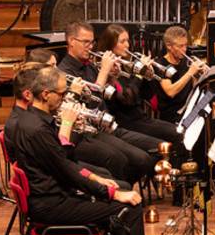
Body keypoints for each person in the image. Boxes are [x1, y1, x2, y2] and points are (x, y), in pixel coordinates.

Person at [8, 66, 170, 235]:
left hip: (50, 197)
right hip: (51, 205)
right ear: (45, 94)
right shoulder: (37, 129)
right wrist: (112, 192)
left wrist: (98, 180)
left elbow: (65, 164)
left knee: (120, 206)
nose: (64, 99)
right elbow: (67, 173)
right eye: (61, 95)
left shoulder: (34, 119)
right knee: (129, 208)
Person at [57, 21, 162, 183]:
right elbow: (91, 106)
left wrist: (113, 74)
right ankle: (120, 193)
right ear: (71, 41)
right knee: (131, 159)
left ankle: (124, 188)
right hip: (89, 133)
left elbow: (112, 95)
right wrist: (104, 71)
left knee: (155, 151)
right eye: (86, 42)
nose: (90, 47)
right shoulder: (64, 72)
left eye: (92, 42)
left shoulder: (89, 66)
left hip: (110, 126)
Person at [96, 24, 182, 145]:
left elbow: (147, 95)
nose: (127, 45)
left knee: (178, 131)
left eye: (127, 40)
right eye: (122, 41)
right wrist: (139, 75)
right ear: (110, 44)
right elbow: (127, 99)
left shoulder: (126, 65)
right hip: (125, 122)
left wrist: (148, 75)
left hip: (140, 118)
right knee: (173, 135)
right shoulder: (106, 68)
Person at [155, 26, 208, 123]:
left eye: (185, 45)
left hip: (188, 110)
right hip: (172, 115)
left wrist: (201, 76)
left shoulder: (186, 61)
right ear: (169, 46)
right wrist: (190, 73)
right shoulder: (161, 65)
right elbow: (171, 92)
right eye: (180, 46)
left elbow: (194, 88)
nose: (184, 49)